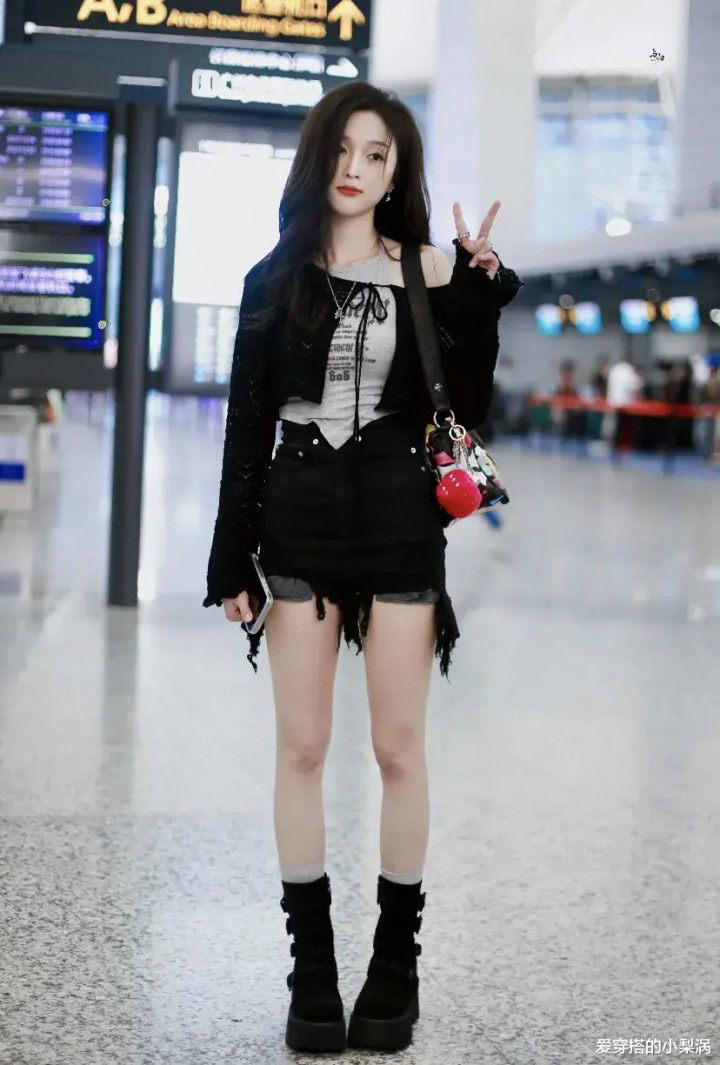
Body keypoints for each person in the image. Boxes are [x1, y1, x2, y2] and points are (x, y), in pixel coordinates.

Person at [203, 81, 522, 1054]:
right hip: (297, 522)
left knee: (398, 748)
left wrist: (481, 294)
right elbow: (246, 429)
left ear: (397, 173)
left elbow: (467, 404)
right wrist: (229, 554)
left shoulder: (427, 269)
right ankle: (312, 972)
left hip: (397, 522)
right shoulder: (273, 277)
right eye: (343, 149)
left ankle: (395, 968)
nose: (356, 168)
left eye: (377, 154)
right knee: (301, 748)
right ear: (318, 158)